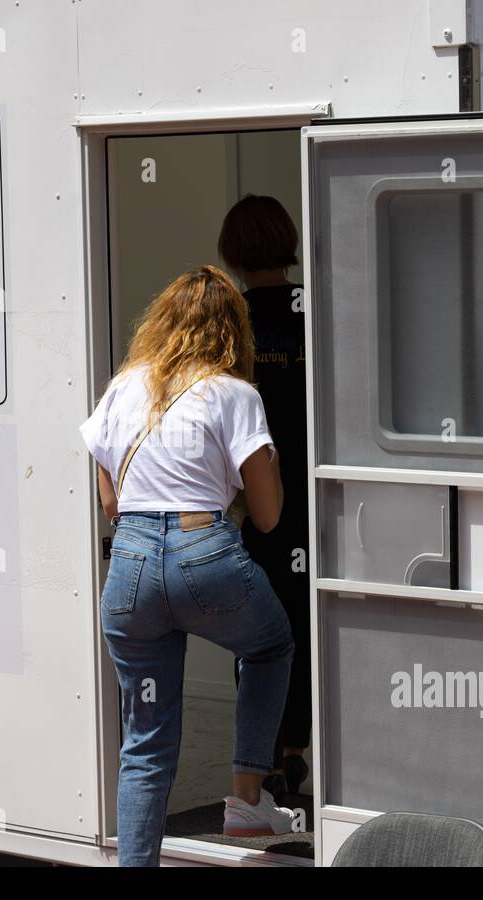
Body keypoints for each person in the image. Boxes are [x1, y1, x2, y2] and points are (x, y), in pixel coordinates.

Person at [80, 265, 297, 866]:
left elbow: (109, 503)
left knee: (145, 745)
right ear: (234, 330)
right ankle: (247, 799)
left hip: (129, 569)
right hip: (205, 557)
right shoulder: (234, 393)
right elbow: (270, 514)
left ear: (161, 321)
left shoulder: (124, 387)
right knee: (270, 646)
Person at [217, 195, 311, 801]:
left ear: (233, 254)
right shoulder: (313, 310)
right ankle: (301, 750)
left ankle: (266, 756)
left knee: (257, 635)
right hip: (320, 497)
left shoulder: (231, 324)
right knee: (305, 626)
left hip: (256, 503)